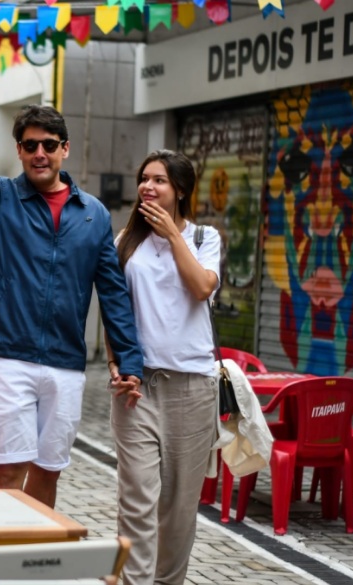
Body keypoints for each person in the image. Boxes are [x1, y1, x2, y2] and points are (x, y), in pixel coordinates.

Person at [0, 105, 143, 509]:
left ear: (65, 149)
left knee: (48, 471)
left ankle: (32, 562)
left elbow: (113, 292)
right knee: (10, 470)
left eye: (48, 144)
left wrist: (129, 361)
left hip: (65, 362)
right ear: (20, 151)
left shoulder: (93, 214)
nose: (39, 153)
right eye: (30, 145)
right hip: (9, 357)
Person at [108, 150, 221, 585]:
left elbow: (200, 288)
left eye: (159, 180)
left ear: (181, 191)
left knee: (177, 509)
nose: (147, 187)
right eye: (144, 178)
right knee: (137, 497)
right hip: (138, 387)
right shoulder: (125, 243)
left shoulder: (204, 239)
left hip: (193, 390)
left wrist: (173, 234)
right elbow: (116, 314)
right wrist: (117, 364)